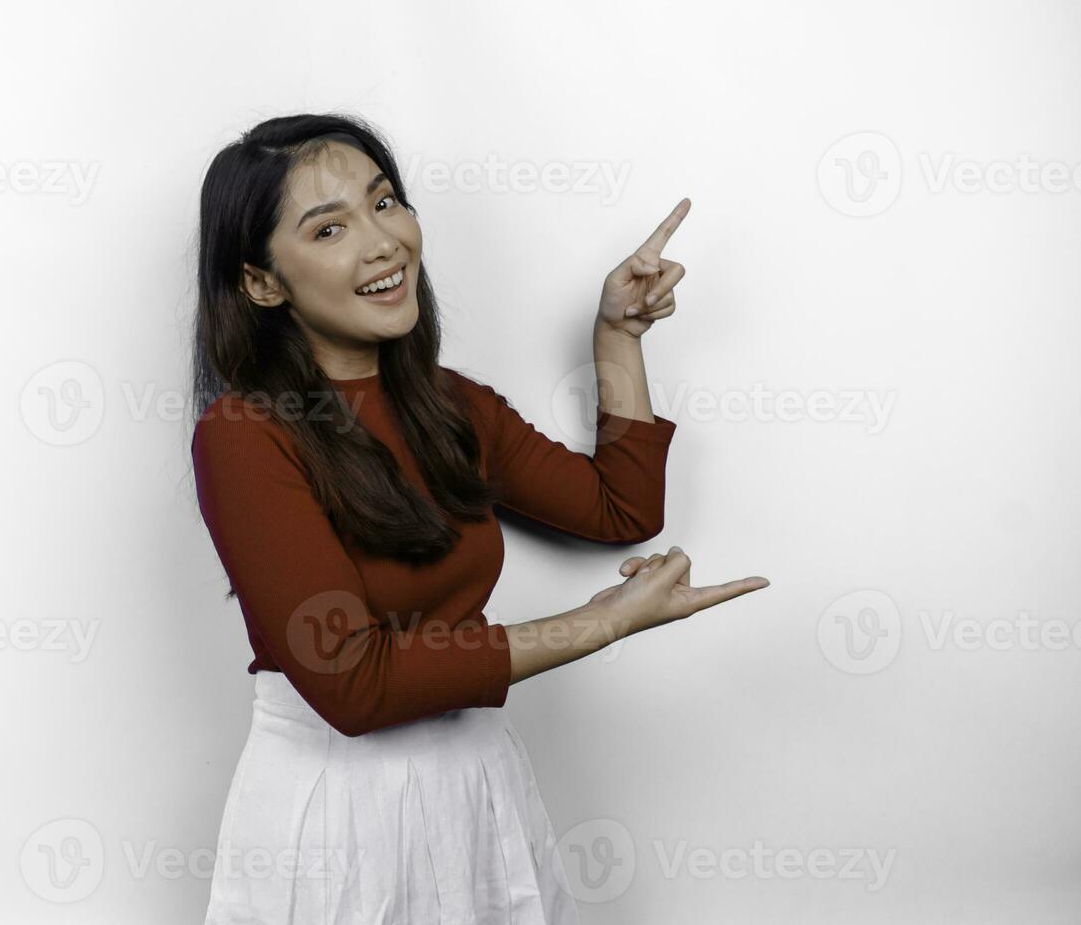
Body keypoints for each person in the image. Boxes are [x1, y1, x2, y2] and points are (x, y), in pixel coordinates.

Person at [188, 112, 770, 924]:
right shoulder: (244, 436)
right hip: (336, 808)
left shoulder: (448, 404)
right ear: (262, 282)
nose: (382, 242)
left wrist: (618, 335)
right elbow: (354, 686)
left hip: (477, 781)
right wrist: (596, 625)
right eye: (329, 228)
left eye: (384, 203)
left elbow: (621, 507)